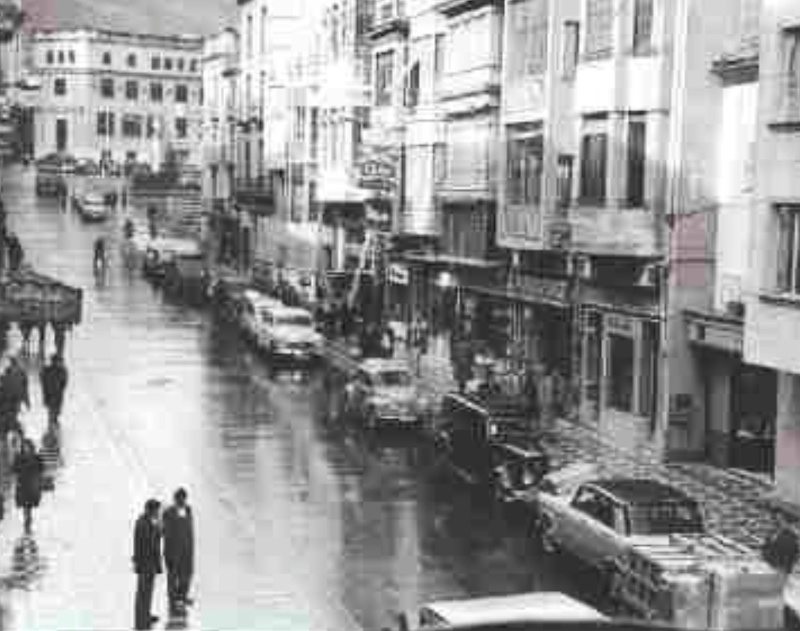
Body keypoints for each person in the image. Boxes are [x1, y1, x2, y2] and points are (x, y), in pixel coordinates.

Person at [162, 488, 195, 615]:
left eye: (184, 498)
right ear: (175, 499)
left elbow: (190, 530)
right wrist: (168, 553)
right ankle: (173, 602)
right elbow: (166, 533)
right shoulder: (168, 512)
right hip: (173, 551)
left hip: (187, 550)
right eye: (179, 498)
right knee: (173, 578)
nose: (182, 501)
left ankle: (182, 597)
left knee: (187, 574)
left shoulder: (188, 510)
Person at [133, 499, 163, 630]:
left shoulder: (146, 521)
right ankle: (141, 623)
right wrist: (159, 531)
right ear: (150, 510)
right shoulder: (144, 524)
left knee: (147, 593)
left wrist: (158, 530)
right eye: (157, 510)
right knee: (143, 594)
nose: (158, 513)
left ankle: (145, 616)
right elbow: (151, 543)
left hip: (148, 564)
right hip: (146, 564)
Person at [12, 439, 44, 533]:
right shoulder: (19, 457)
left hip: (31, 485)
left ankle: (28, 525)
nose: (26, 448)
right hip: (22, 485)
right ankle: (27, 526)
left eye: (28, 446)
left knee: (28, 507)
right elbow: (14, 469)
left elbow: (41, 469)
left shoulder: (36, 457)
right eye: (25, 446)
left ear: (31, 447)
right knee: (26, 508)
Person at [40, 354, 68, 426]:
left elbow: (64, 382)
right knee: (51, 408)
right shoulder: (48, 370)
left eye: (60, 362)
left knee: (57, 408)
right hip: (50, 392)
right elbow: (43, 379)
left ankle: (54, 419)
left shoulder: (62, 370)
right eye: (58, 361)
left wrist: (61, 389)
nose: (59, 363)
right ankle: (52, 421)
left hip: (57, 393)